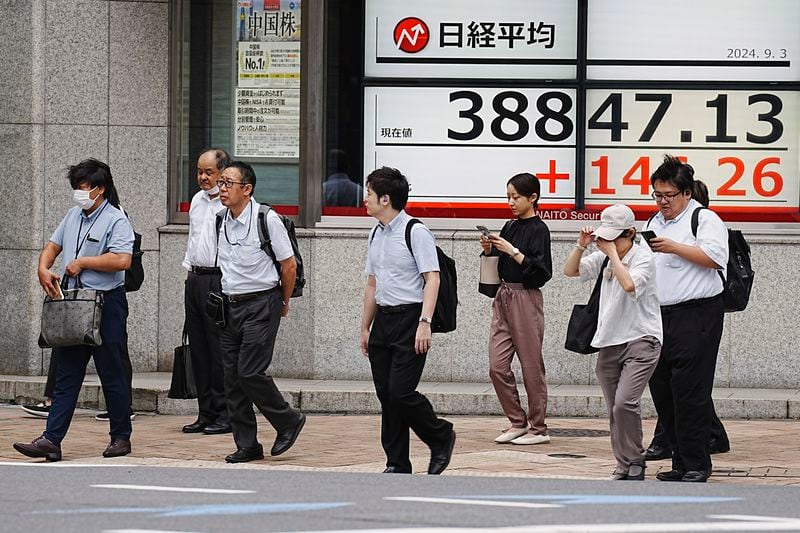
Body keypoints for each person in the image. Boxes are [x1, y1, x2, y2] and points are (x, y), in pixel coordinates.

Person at [13, 159, 134, 461]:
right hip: (73, 303)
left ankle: (120, 437)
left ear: (100, 188)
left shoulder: (117, 219)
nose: (78, 194)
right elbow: (52, 247)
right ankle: (51, 440)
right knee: (67, 374)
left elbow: (122, 260)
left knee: (112, 373)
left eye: (83, 188)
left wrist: (84, 262)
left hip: (106, 304)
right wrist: (43, 267)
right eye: (76, 188)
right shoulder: (73, 216)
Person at [360, 166, 456, 474]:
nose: (365, 199)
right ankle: (397, 462)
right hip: (383, 321)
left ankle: (440, 435)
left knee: (401, 392)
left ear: (385, 199)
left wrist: (424, 323)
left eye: (369, 193)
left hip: (411, 319)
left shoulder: (415, 231)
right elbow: (372, 283)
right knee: (387, 396)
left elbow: (432, 279)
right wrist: (365, 326)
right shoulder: (375, 231)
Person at [644, 155, 729, 483]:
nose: (662, 201)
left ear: (686, 193)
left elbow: (714, 258)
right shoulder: (654, 223)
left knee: (690, 391)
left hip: (697, 314)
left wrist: (675, 248)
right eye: (657, 195)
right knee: (662, 387)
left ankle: (696, 464)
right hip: (658, 314)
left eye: (668, 195)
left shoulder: (704, 220)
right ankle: (679, 461)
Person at [215, 161, 306, 463]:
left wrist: (284, 300)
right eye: (222, 182)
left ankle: (287, 421)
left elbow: (288, 265)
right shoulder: (220, 220)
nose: (222, 188)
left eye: (229, 183)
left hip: (262, 302)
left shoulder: (266, 219)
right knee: (232, 378)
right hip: (230, 306)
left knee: (250, 371)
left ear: (247, 189)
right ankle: (247, 444)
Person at [564, 204, 662, 480]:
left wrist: (613, 257)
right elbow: (570, 271)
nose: (608, 243)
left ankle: (635, 460)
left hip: (642, 338)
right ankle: (625, 463)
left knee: (625, 403)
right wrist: (581, 246)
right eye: (604, 237)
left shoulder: (644, 257)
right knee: (614, 409)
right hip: (609, 341)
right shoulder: (605, 255)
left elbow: (630, 286)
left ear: (631, 233)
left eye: (615, 237)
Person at [479, 173, 552, 445]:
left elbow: (542, 272)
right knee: (497, 366)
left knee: (531, 366)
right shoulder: (509, 225)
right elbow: (499, 265)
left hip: (526, 297)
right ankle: (517, 421)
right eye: (508, 196)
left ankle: (538, 427)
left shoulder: (539, 229)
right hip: (504, 295)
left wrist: (511, 250)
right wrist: (490, 250)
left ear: (532, 197)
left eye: (516, 197)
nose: (511, 202)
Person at [179, 148, 232, 435]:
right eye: (199, 171)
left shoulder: (230, 204)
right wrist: (188, 274)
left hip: (220, 280)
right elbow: (192, 240)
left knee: (218, 349)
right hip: (196, 278)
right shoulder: (198, 201)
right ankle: (205, 411)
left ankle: (225, 413)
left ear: (223, 173)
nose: (202, 177)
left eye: (208, 172)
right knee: (198, 347)